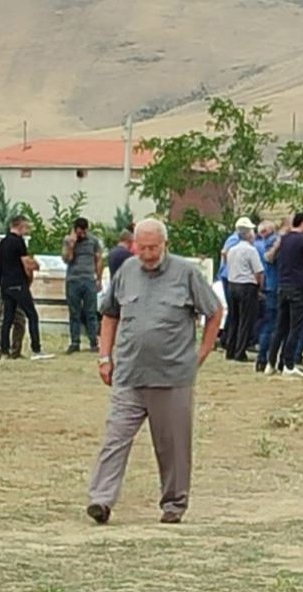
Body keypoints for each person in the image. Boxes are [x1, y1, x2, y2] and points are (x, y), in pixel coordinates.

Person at [87, 219, 223, 526]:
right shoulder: (126, 272)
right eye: (142, 248)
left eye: (153, 248)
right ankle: (101, 499)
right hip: (129, 375)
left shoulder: (186, 273)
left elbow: (214, 311)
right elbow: (110, 315)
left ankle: (174, 505)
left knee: (172, 445)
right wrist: (104, 357)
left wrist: (201, 353)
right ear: (134, 245)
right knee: (115, 438)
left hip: (172, 377)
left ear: (165, 244)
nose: (147, 254)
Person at [0, 215, 53, 361]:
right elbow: (26, 263)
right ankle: (36, 349)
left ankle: (4, 350)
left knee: (7, 318)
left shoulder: (3, 242)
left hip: (5, 283)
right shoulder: (18, 241)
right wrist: (36, 265)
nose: (27, 229)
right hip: (18, 283)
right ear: (19, 226)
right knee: (32, 315)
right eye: (26, 226)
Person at [265, 213, 303, 378]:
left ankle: (271, 363)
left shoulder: (284, 238)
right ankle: (288, 364)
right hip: (297, 286)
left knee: (280, 326)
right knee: (295, 327)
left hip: (283, 285)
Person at [223, 218, 263, 363]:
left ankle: (230, 349)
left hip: (232, 284)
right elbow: (258, 271)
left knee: (234, 319)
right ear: (247, 234)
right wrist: (259, 288)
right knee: (246, 320)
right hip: (246, 285)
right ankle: (240, 352)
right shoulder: (251, 250)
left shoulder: (231, 250)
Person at [62, 217, 104, 354]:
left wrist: (98, 278)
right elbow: (66, 259)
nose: (82, 235)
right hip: (73, 280)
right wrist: (71, 246)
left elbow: (98, 259)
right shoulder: (68, 240)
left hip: (88, 280)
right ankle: (75, 342)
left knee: (90, 312)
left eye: (84, 232)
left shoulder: (93, 241)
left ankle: (93, 342)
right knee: (74, 312)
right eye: (80, 232)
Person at [253, 220, 280, 374]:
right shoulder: (273, 243)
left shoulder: (256, 245)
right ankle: (268, 359)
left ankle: (261, 359)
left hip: (267, 286)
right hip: (276, 286)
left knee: (266, 323)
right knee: (274, 324)